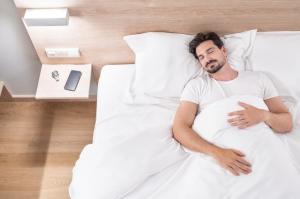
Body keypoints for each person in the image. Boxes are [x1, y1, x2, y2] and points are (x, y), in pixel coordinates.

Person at [172, 32, 293, 176]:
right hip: (220, 158)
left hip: (262, 151)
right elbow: (179, 129)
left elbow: (286, 123)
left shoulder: (258, 79)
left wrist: (264, 116)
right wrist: (217, 153)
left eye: (210, 51)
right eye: (201, 57)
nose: (207, 59)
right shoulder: (197, 86)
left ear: (223, 51)